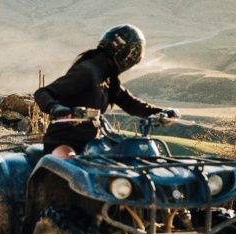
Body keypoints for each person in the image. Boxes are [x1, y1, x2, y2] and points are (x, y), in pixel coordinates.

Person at [34, 24, 179, 159]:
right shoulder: (87, 71)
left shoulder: (109, 78)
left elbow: (131, 104)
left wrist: (162, 112)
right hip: (63, 141)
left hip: (92, 144)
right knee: (69, 163)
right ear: (124, 53)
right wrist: (56, 108)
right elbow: (43, 93)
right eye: (132, 54)